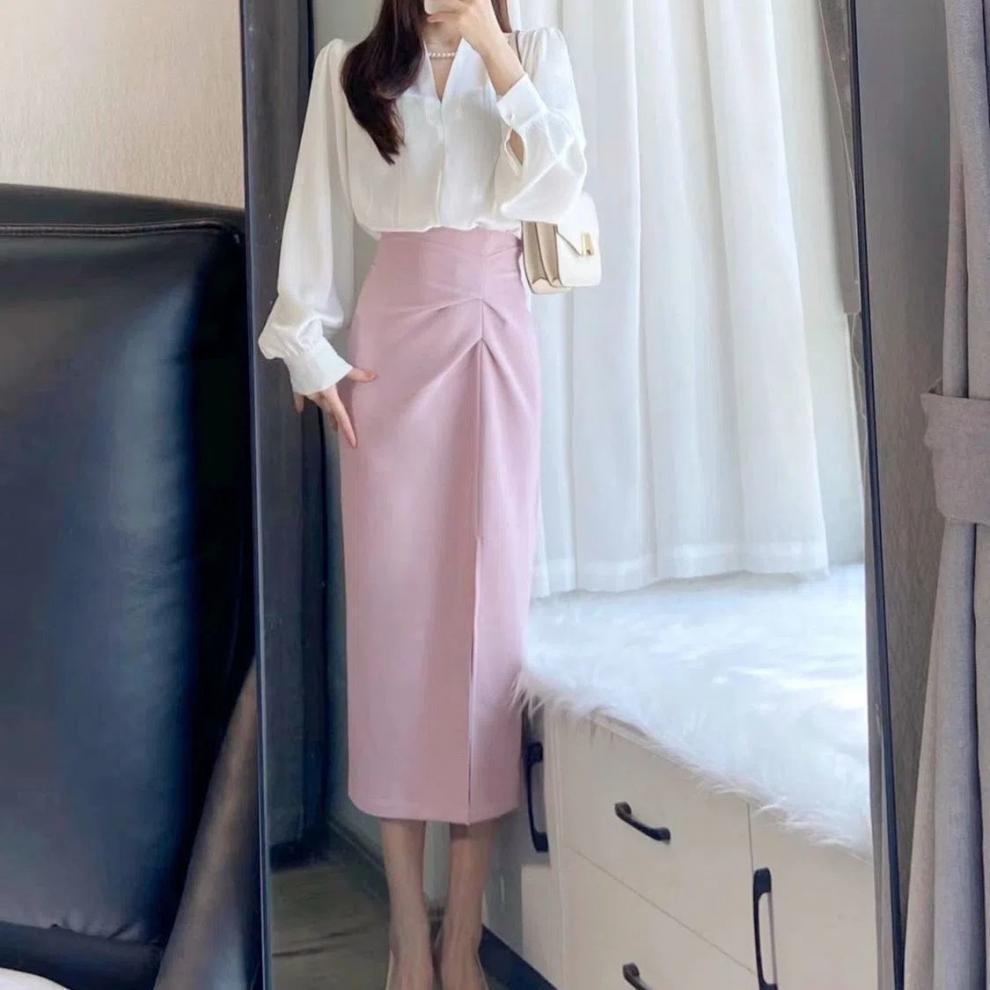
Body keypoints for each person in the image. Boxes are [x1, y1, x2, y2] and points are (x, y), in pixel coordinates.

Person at [257, 2, 587, 987]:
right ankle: (407, 930)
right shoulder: (347, 70)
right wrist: (309, 354)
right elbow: (314, 223)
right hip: (391, 357)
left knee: (485, 631)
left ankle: (462, 934)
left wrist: (492, 48)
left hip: (494, 334)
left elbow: (560, 184)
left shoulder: (534, 55)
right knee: (395, 631)